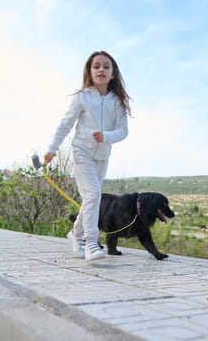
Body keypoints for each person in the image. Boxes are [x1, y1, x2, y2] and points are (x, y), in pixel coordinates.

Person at [44, 50, 131, 260]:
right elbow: (65, 125)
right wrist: (52, 149)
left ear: (113, 73)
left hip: (102, 157)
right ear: (90, 72)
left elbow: (123, 131)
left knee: (91, 199)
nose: (101, 69)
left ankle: (75, 233)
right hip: (81, 152)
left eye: (106, 66)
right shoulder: (82, 97)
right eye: (96, 66)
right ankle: (91, 242)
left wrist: (106, 136)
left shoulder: (117, 102)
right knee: (93, 196)